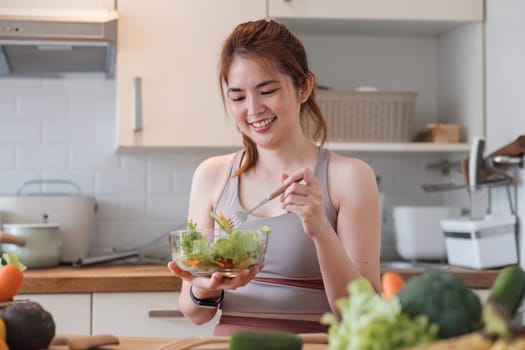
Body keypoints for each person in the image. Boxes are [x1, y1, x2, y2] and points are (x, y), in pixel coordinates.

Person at [167, 18, 381, 336]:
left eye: (267, 90)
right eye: (238, 97)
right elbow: (194, 313)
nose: (253, 109)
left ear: (304, 87)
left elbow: (366, 317)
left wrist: (322, 232)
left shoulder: (350, 177)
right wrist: (205, 289)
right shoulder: (212, 175)